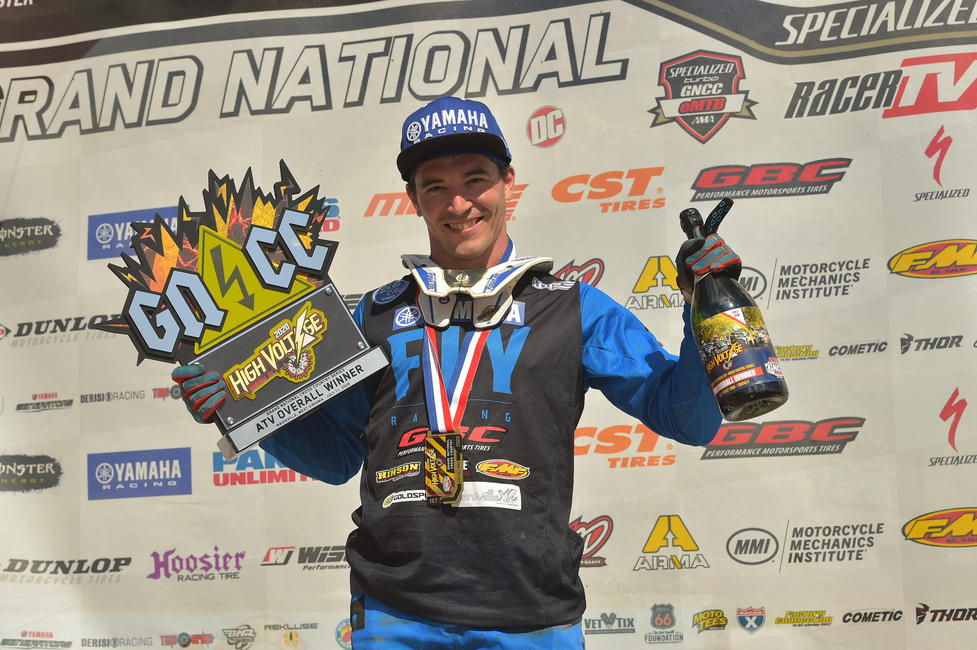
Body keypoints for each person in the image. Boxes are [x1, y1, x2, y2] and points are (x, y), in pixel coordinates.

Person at [173, 96, 743, 649]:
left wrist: (704, 307)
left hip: (531, 615)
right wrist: (242, 409)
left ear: (508, 181)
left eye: (475, 179)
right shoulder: (370, 316)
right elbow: (335, 458)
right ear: (413, 199)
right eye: (435, 187)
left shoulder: (574, 308)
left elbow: (688, 419)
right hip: (393, 614)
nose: (459, 204)